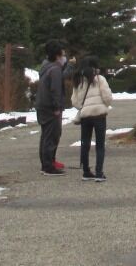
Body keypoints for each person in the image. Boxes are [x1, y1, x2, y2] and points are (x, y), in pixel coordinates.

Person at [71, 56, 113, 182]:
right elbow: (107, 97)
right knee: (100, 144)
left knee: (85, 143)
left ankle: (86, 172)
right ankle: (99, 172)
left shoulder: (78, 81)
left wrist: (83, 107)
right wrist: (105, 105)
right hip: (99, 115)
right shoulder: (100, 79)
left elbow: (74, 101)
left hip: (85, 116)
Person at [35, 41, 67, 176]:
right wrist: (57, 106)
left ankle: (47, 162)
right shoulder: (55, 70)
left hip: (42, 105)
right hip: (50, 107)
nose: (64, 56)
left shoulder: (46, 66)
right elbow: (55, 90)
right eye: (63, 54)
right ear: (57, 55)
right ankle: (48, 165)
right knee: (52, 136)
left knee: (46, 135)